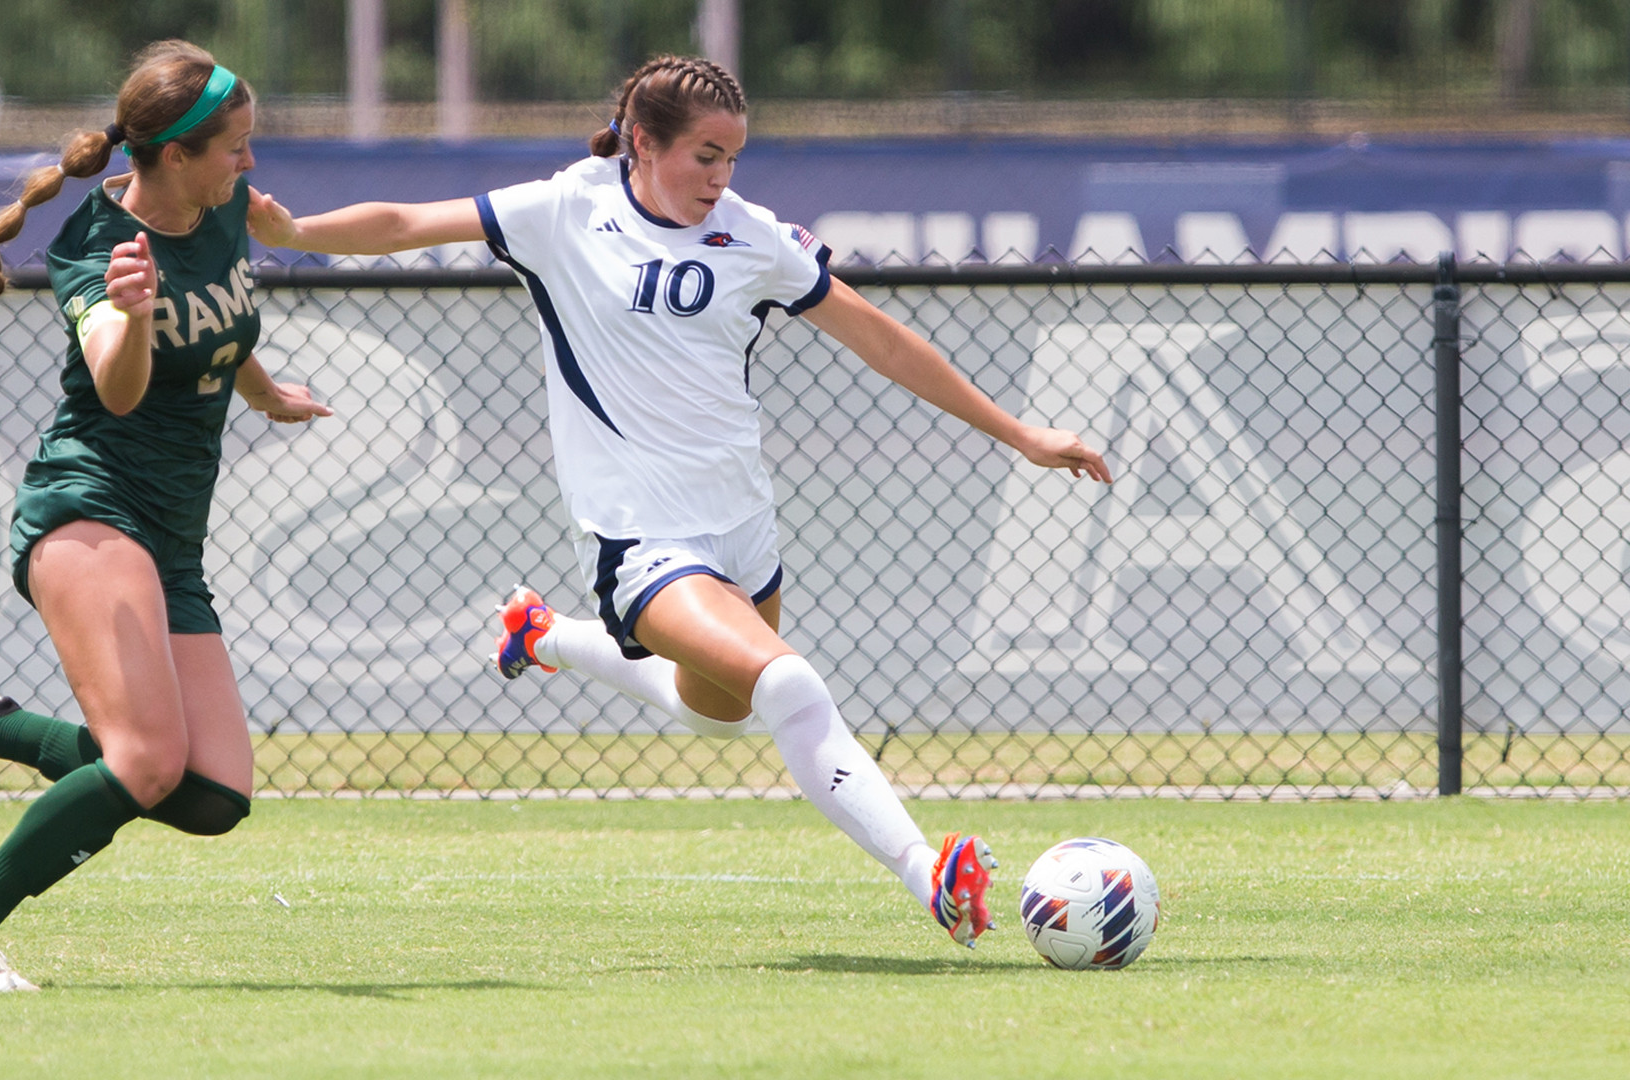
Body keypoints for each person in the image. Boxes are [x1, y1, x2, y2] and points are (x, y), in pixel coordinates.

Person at [248, 54, 1111, 949]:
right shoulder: (566, 210)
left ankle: (541, 635)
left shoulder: (752, 236)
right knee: (791, 684)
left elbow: (884, 343)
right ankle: (927, 872)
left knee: (719, 713)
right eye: (705, 155)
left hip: (742, 528)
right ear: (643, 143)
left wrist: (1020, 434)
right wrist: (298, 229)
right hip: (639, 540)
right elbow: (407, 222)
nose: (721, 178)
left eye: (733, 158)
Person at [0, 41, 330, 992]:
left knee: (212, 796)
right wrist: (128, 309)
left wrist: (261, 388)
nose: (250, 164)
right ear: (171, 154)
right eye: (234, 148)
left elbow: (219, 322)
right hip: (90, 507)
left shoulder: (223, 206)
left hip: (171, 532)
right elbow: (119, 389)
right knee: (149, 758)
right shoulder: (97, 243)